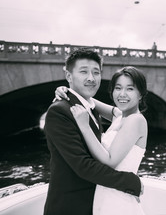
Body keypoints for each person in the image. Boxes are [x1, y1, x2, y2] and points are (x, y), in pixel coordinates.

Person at [43, 49, 142, 215]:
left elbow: (116, 112)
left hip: (98, 203)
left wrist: (68, 90)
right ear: (68, 76)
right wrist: (131, 182)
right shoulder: (59, 111)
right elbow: (83, 165)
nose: (91, 78)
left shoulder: (90, 107)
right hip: (70, 207)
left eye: (96, 72)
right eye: (83, 72)